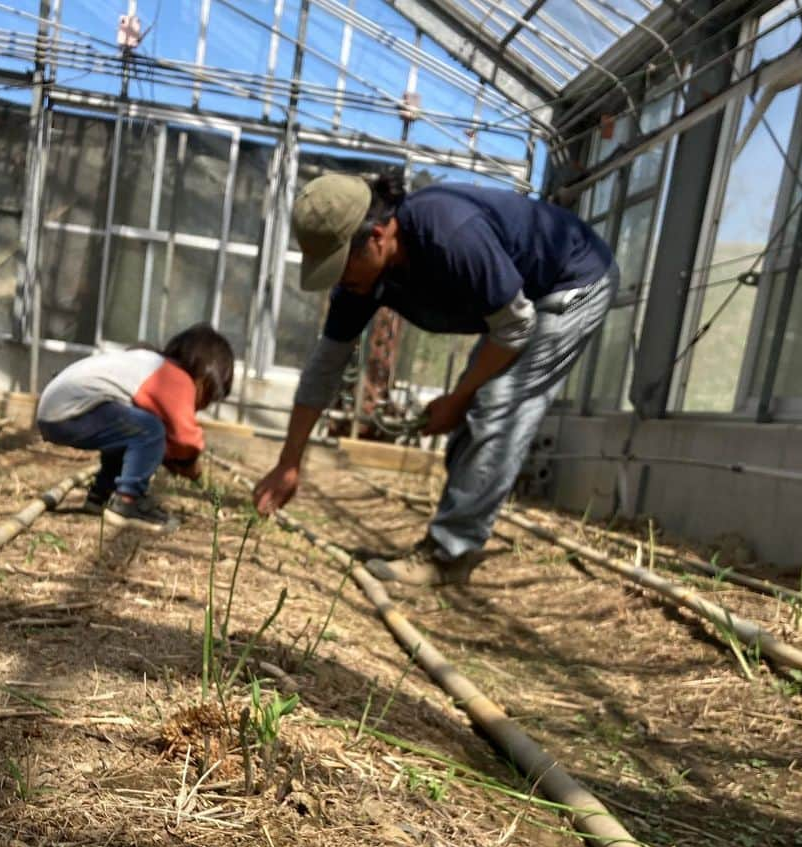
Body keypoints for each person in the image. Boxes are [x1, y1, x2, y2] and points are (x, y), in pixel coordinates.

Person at [252, 171, 618, 584]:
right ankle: (450, 542)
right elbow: (326, 364)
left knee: (498, 406)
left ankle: (450, 555)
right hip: (520, 306)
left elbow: (515, 326)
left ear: (377, 237)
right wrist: (289, 462)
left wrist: (457, 398)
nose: (339, 280)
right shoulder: (362, 282)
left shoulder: (449, 233)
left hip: (572, 283)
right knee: (478, 405)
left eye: (341, 265)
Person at [37, 323, 234, 532]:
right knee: (150, 429)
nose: (201, 407)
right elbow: (185, 440)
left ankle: (102, 494)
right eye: (207, 399)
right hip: (71, 411)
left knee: (129, 431)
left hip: (56, 411)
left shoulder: (150, 363)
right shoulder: (175, 378)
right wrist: (190, 464)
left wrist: (170, 456)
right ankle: (127, 502)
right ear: (203, 379)